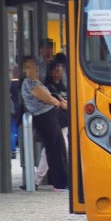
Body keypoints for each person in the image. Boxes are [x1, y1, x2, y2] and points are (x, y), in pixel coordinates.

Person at [21, 56, 68, 191]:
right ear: (25, 69)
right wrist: (56, 102)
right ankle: (60, 183)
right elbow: (47, 98)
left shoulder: (37, 82)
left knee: (58, 148)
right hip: (45, 117)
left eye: (35, 66)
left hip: (50, 116)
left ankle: (62, 181)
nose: (33, 69)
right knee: (54, 149)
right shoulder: (29, 83)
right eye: (29, 66)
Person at [34, 57, 69, 187]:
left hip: (65, 123)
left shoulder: (63, 86)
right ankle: (63, 181)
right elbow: (61, 104)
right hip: (57, 123)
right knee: (60, 150)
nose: (61, 73)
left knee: (49, 152)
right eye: (59, 70)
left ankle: (36, 180)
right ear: (53, 72)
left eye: (62, 70)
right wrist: (64, 104)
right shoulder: (49, 87)